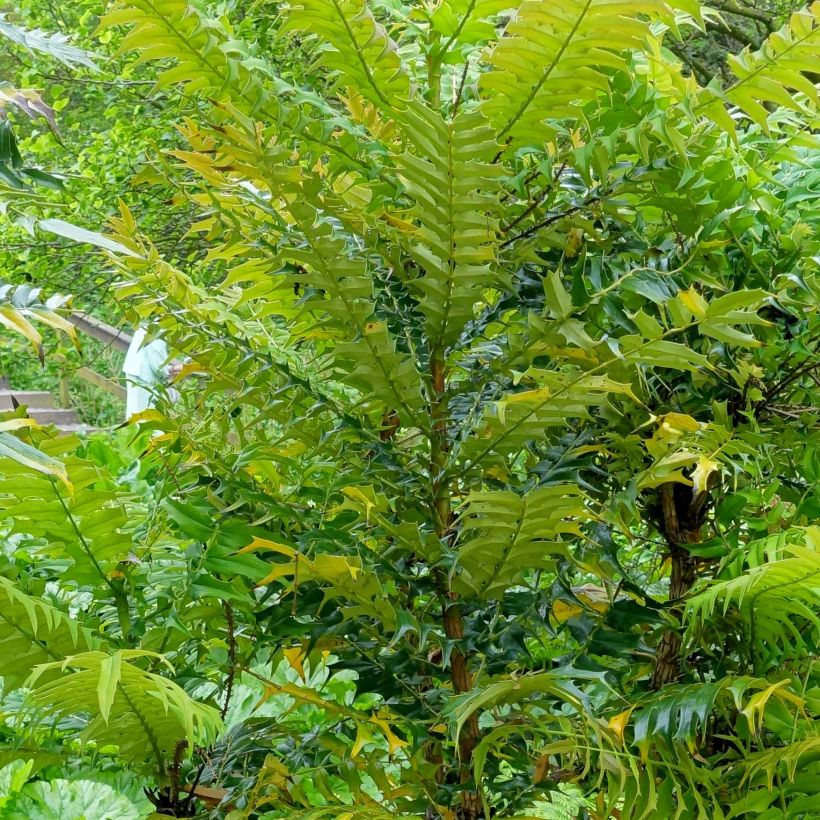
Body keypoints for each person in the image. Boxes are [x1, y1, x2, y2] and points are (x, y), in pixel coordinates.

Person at [122, 325, 180, 420]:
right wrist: (169, 371)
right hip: (143, 375)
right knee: (144, 413)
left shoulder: (150, 323)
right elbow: (156, 359)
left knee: (136, 410)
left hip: (136, 370)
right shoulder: (160, 328)